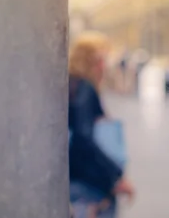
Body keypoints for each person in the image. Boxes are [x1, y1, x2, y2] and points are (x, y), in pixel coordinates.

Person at [68, 32, 135, 218]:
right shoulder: (84, 89)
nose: (104, 67)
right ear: (90, 61)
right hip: (91, 187)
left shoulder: (71, 86)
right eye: (101, 60)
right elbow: (84, 139)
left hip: (78, 181)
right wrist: (115, 177)